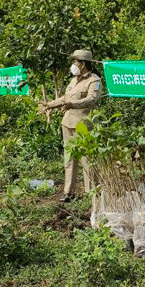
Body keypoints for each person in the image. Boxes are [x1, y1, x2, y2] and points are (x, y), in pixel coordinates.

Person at [38, 49, 102, 202]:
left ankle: (92, 192)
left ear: (83, 64)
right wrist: (49, 105)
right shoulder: (74, 80)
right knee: (69, 158)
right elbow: (65, 98)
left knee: (87, 159)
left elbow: (92, 99)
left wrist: (72, 104)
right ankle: (69, 192)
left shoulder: (94, 80)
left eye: (75, 62)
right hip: (67, 123)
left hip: (84, 124)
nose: (72, 65)